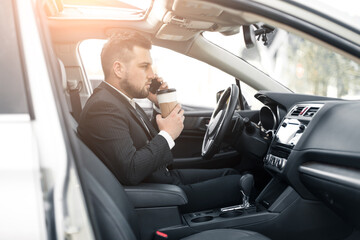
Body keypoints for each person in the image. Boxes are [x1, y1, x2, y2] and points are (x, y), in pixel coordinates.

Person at [77, 30, 242, 213]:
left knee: (231, 173)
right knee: (239, 183)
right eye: (144, 66)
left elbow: (142, 139)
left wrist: (160, 102)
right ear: (118, 69)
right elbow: (131, 170)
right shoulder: (103, 108)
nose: (152, 74)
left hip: (163, 177)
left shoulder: (120, 99)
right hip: (160, 195)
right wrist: (167, 134)